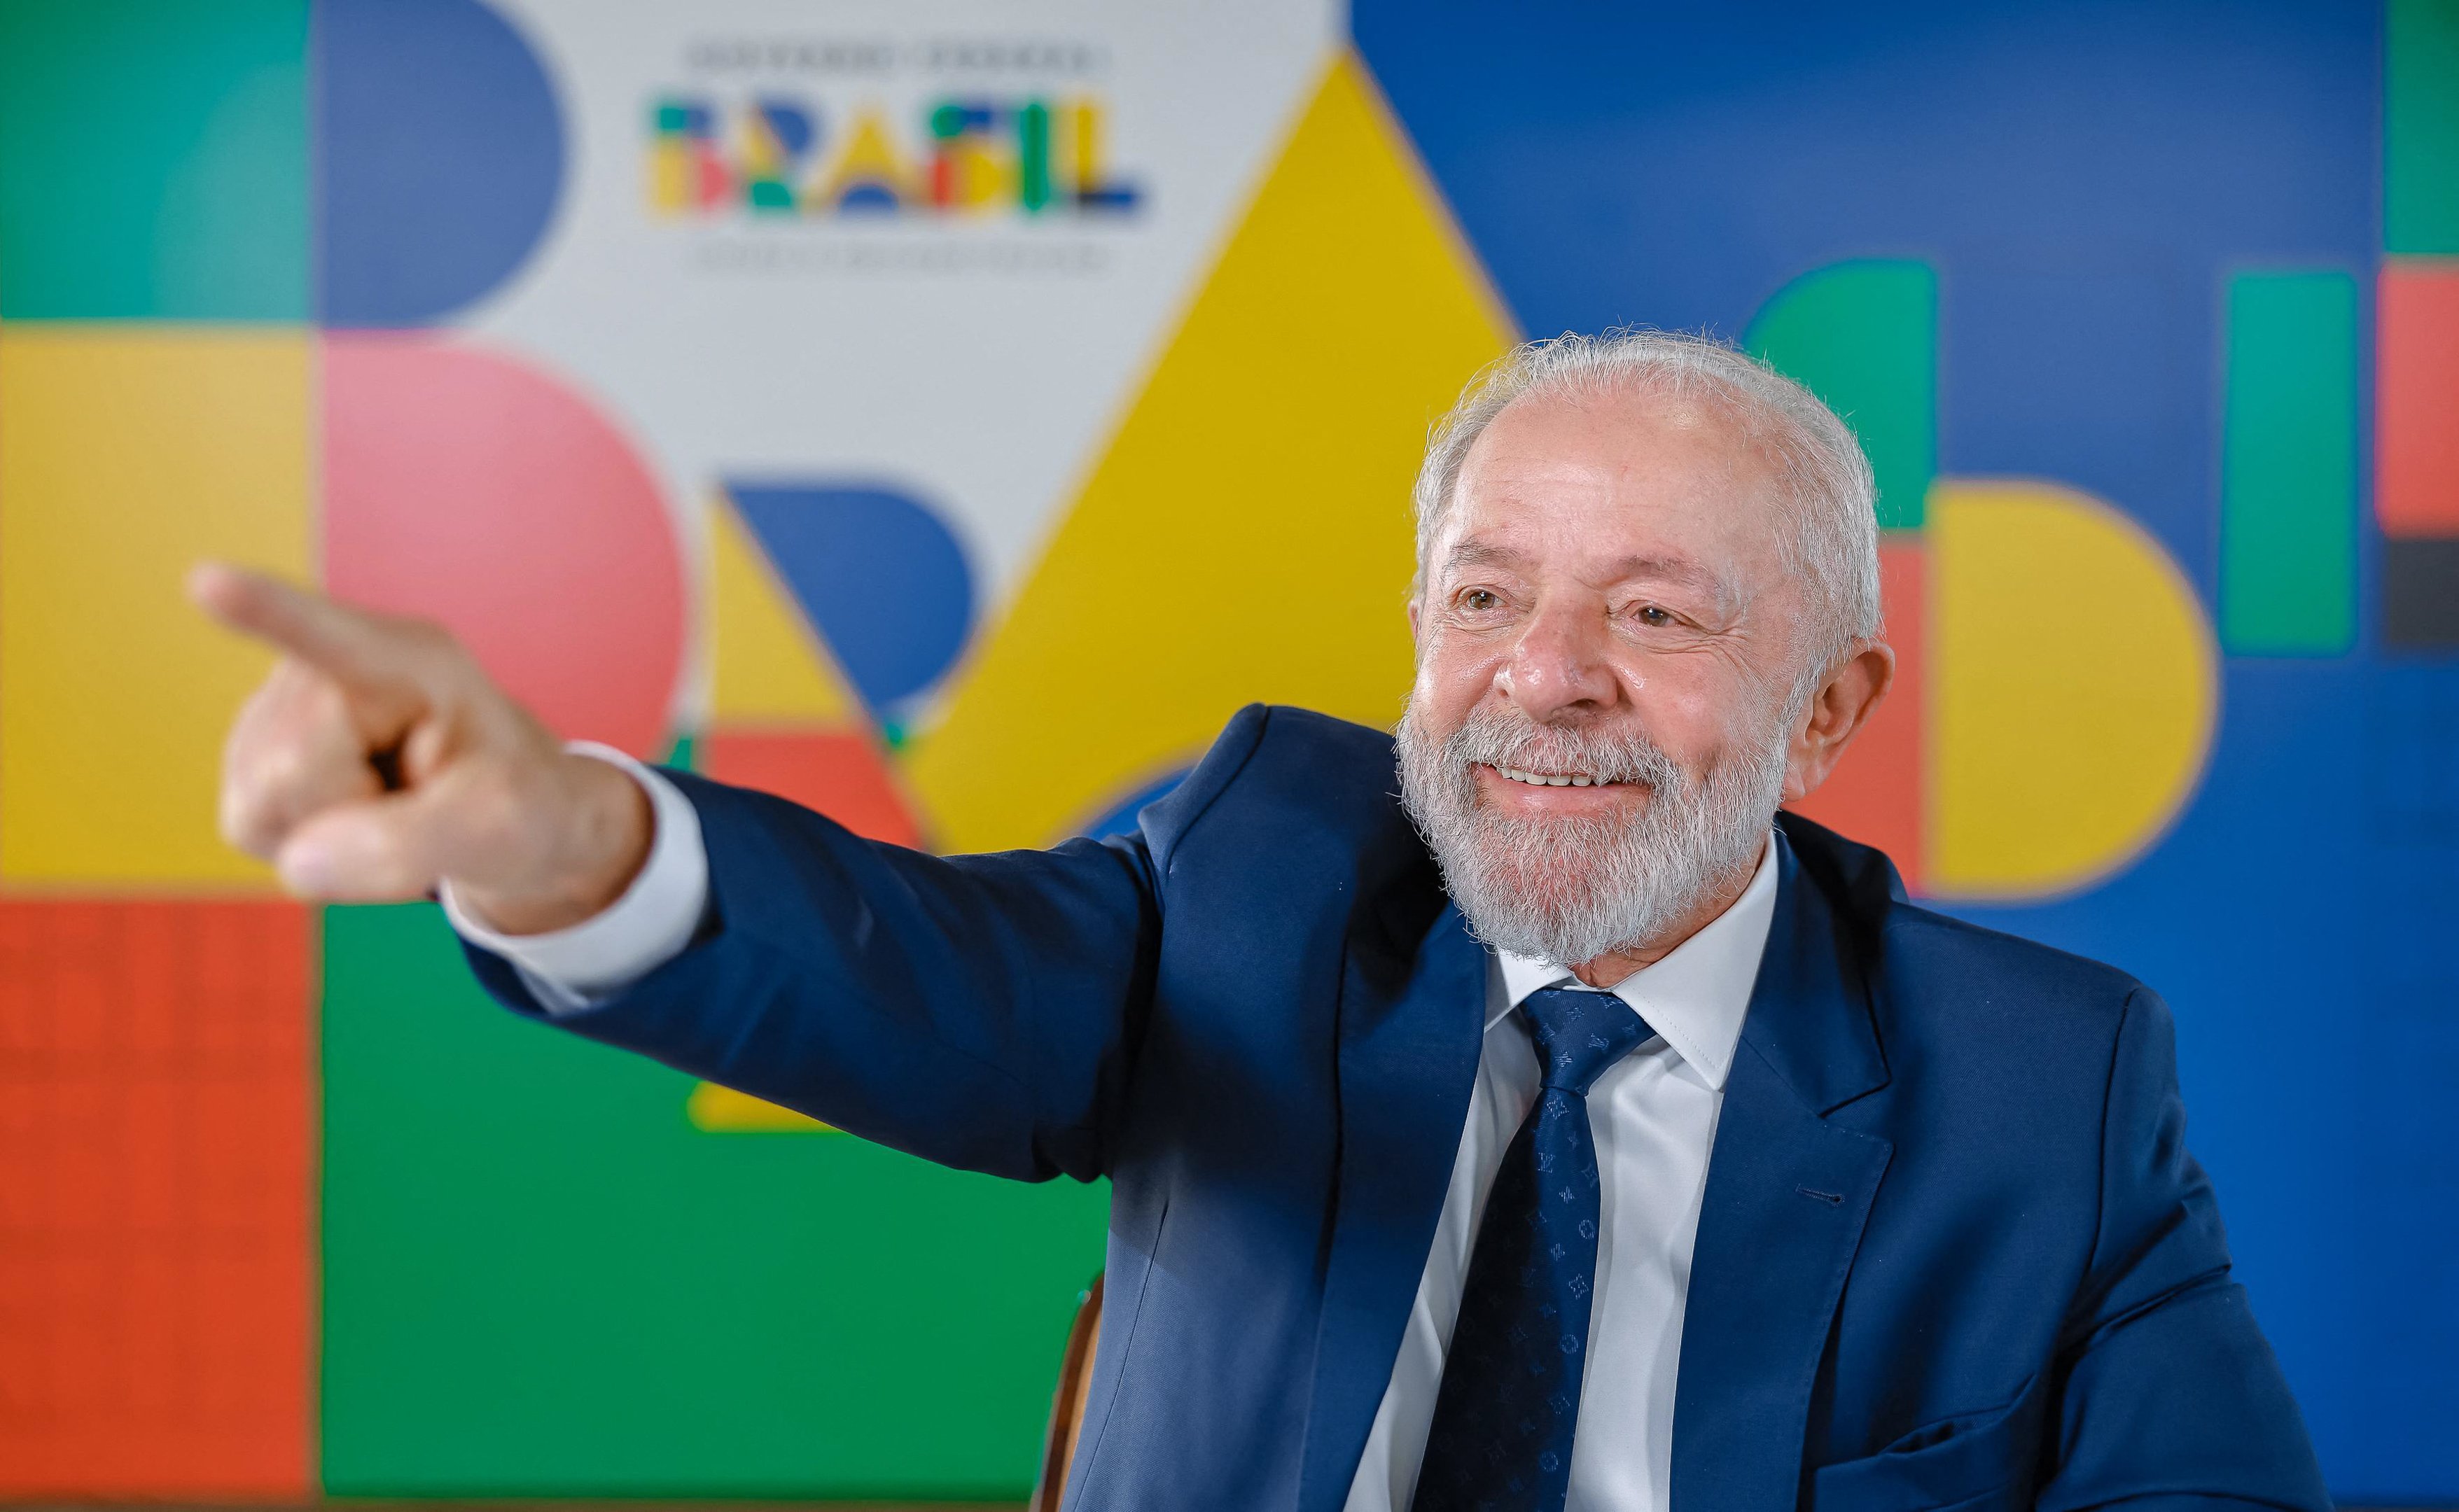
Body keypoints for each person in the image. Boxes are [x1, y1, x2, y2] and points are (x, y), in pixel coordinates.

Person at [196, 331, 2327, 1512]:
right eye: (1487, 597)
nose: (1545, 675)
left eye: (1656, 613)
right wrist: (562, 832)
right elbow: (916, 978)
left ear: (1830, 708)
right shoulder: (1256, 886)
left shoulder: (2046, 1083)